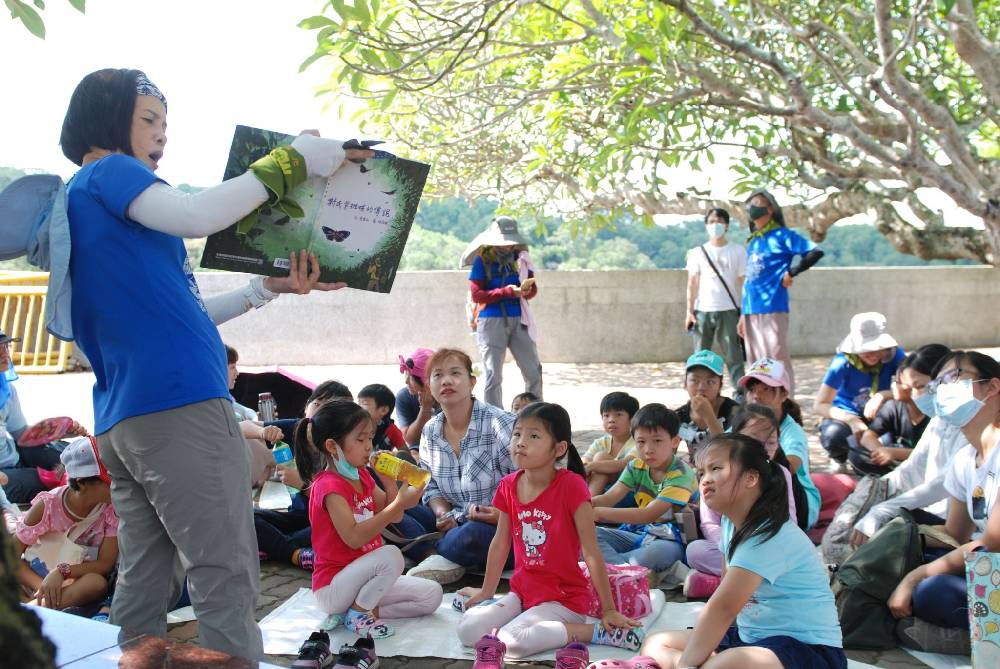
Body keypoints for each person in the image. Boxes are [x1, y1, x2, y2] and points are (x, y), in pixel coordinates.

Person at [60, 68, 372, 659]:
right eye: (148, 120)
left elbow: (186, 311)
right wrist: (294, 161)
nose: (161, 136)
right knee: (223, 566)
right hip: (177, 406)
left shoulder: (96, 203)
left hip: (127, 417)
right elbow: (199, 214)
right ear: (106, 121)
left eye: (164, 124)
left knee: (147, 571)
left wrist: (264, 289)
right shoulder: (110, 172)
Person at [456, 402, 643, 662]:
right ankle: (516, 619)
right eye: (517, 434)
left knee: (511, 642)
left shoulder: (572, 486)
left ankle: (597, 632)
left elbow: (591, 552)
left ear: (559, 449)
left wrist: (609, 610)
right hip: (522, 592)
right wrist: (487, 592)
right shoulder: (509, 485)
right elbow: (500, 543)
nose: (521, 442)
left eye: (534, 436)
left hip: (563, 599)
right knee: (468, 631)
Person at [641, 433, 846, 669]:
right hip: (751, 638)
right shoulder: (730, 523)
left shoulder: (769, 534)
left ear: (750, 478)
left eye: (716, 468)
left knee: (725, 663)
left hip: (808, 651)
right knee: (656, 643)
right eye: (701, 473)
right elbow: (726, 591)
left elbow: (723, 608)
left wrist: (687, 664)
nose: (705, 480)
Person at [296, 398, 442, 638]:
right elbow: (353, 538)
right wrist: (398, 502)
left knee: (431, 595)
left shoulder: (360, 474)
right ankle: (358, 613)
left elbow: (396, 516)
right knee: (392, 555)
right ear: (333, 447)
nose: (369, 446)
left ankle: (359, 609)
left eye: (370, 438)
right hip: (333, 588)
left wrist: (388, 482)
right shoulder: (329, 486)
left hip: (365, 581)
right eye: (360, 439)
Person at [887, 351, 1000, 652]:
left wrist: (914, 577)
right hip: (989, 566)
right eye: (938, 383)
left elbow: (992, 543)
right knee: (902, 564)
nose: (943, 388)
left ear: (992, 387)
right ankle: (977, 634)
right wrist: (898, 541)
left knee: (932, 589)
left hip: (992, 561)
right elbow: (956, 533)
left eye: (955, 376)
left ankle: (979, 640)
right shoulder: (965, 459)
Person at [406, 349, 517, 585]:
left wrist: (502, 516)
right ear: (430, 388)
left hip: (500, 526)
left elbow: (529, 481)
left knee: (472, 534)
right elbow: (430, 484)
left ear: (472, 382)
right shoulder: (431, 431)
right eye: (438, 376)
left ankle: (434, 554)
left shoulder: (501, 423)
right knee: (393, 508)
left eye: (455, 373)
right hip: (453, 520)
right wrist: (441, 513)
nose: (446, 380)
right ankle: (442, 553)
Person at [684, 405, 807, 599]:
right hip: (732, 550)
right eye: (703, 472)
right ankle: (739, 584)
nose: (761, 448)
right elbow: (709, 523)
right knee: (695, 551)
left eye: (771, 442)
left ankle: (724, 584)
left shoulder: (779, 473)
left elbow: (789, 520)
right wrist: (731, 547)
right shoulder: (717, 477)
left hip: (765, 549)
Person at [850, 345, 964, 544]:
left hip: (977, 550)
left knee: (888, 544)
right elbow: (914, 466)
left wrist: (885, 512)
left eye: (919, 387)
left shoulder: (983, 442)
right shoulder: (942, 421)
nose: (914, 396)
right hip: (961, 537)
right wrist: (874, 493)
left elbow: (967, 540)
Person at [255, 381, 355, 571]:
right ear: (307, 406)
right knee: (250, 519)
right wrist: (263, 431)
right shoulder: (294, 428)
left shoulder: (345, 444)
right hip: (298, 515)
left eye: (331, 408)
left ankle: (284, 551)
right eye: (317, 404)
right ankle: (282, 547)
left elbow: (348, 503)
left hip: (328, 518)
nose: (320, 413)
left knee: (331, 531)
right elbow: (241, 427)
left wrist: (303, 486)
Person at [15, 438, 118, 613]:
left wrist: (62, 572)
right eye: (109, 481)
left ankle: (31, 609)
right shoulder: (47, 506)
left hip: (72, 583)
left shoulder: (110, 511)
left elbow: (105, 564)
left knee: (96, 583)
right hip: (34, 582)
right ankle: (35, 607)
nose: (117, 486)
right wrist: (43, 587)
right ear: (81, 482)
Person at [591, 404, 697, 574]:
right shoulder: (636, 465)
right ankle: (625, 571)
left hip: (674, 541)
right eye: (641, 442)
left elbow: (648, 514)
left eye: (657, 441)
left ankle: (615, 569)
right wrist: (581, 505)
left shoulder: (681, 474)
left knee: (655, 554)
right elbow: (608, 498)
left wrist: (596, 513)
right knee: (589, 534)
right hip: (641, 534)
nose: (648, 450)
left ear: (675, 442)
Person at [737, 190, 824, 396]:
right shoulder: (754, 240)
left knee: (776, 358)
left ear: (770, 209)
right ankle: (757, 402)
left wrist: (791, 272)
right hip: (751, 308)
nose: (753, 208)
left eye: (758, 203)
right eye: (750, 204)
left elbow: (815, 252)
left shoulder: (782, 235)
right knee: (755, 360)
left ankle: (786, 401)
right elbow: (749, 279)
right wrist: (742, 314)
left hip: (773, 305)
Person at [0, 329, 90, 504]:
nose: (5, 353)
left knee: (75, 458)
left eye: (6, 346)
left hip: (14, 457)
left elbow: (22, 436)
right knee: (47, 482)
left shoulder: (6, 388)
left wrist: (57, 431)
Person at [464, 216, 542, 408]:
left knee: (533, 370)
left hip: (519, 318)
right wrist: (508, 291)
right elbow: (477, 295)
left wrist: (526, 290)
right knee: (493, 374)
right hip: (491, 321)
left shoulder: (520, 259)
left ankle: (536, 413)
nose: (507, 246)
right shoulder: (482, 261)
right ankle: (495, 417)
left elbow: (532, 291)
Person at [814, 312, 906, 469]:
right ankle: (838, 458)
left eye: (878, 348)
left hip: (879, 413)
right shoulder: (842, 363)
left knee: (888, 445)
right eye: (866, 349)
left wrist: (883, 395)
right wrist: (851, 420)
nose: (873, 354)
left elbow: (912, 388)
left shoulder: (895, 356)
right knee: (833, 435)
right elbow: (820, 405)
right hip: (846, 414)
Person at [739, 358, 821, 529]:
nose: (756, 395)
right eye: (752, 389)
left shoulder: (792, 431)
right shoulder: (741, 424)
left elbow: (790, 467)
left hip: (799, 507)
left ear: (784, 394)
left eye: (766, 389)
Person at [684, 208, 747, 389]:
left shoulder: (737, 251)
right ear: (706, 225)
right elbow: (692, 283)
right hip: (702, 310)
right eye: (711, 222)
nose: (715, 225)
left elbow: (744, 284)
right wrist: (689, 312)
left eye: (719, 221)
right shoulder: (697, 252)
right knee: (699, 358)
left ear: (726, 225)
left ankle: (740, 394)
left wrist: (744, 313)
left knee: (733, 356)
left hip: (728, 309)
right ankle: (697, 393)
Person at [848, 348, 935, 476]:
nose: (894, 386)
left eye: (899, 382)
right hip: (900, 464)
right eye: (896, 380)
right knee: (857, 454)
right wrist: (881, 452)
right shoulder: (893, 406)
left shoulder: (935, 413)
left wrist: (893, 453)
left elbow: (934, 452)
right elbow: (868, 436)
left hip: (929, 466)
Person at [674, 350, 740, 464]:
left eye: (710, 382)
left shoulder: (734, 411)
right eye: (695, 380)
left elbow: (731, 452)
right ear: (685, 384)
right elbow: (667, 454)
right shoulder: (679, 416)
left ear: (720, 386)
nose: (701, 387)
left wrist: (709, 416)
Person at [582, 392, 640, 496]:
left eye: (618, 415)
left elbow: (626, 464)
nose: (611, 420)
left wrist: (592, 466)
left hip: (627, 491)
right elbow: (585, 460)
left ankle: (588, 501)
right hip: (603, 488)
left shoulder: (638, 442)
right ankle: (588, 500)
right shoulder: (601, 442)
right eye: (606, 415)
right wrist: (589, 466)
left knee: (601, 457)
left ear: (632, 419)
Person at [395, 348, 439, 452]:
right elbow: (410, 439)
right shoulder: (404, 396)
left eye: (410, 377)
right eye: (406, 374)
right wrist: (425, 408)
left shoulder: (446, 395)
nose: (406, 381)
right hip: (420, 448)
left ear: (426, 381)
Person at [358, 384, 408, 455]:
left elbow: (407, 454)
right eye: (358, 403)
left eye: (364, 403)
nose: (358, 407)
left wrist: (393, 454)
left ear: (383, 410)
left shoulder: (391, 429)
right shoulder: (355, 428)